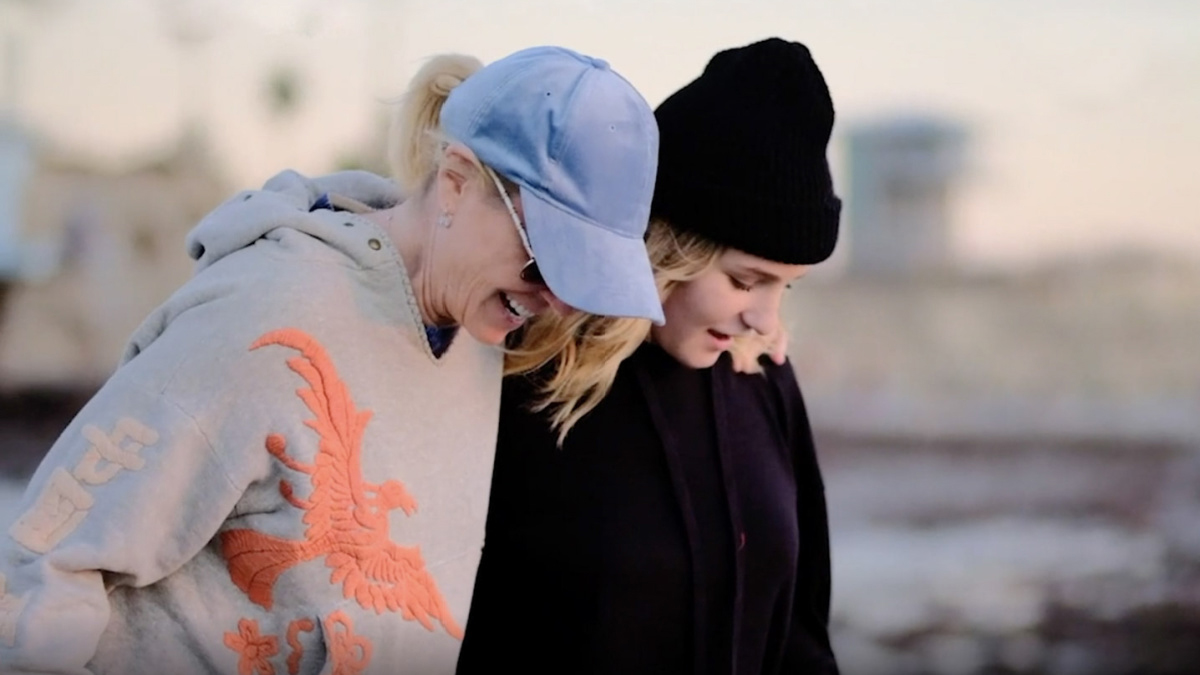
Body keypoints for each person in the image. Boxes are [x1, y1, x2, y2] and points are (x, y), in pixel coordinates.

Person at [0, 46, 663, 675]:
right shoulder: (265, 313)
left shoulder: (474, 333)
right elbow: (43, 569)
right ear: (456, 183)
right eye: (547, 260)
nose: (557, 299)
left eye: (585, 278)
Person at [457, 38, 841, 674]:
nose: (765, 319)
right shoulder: (526, 368)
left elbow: (803, 632)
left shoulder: (760, 373)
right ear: (666, 249)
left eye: (786, 287)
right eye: (745, 281)